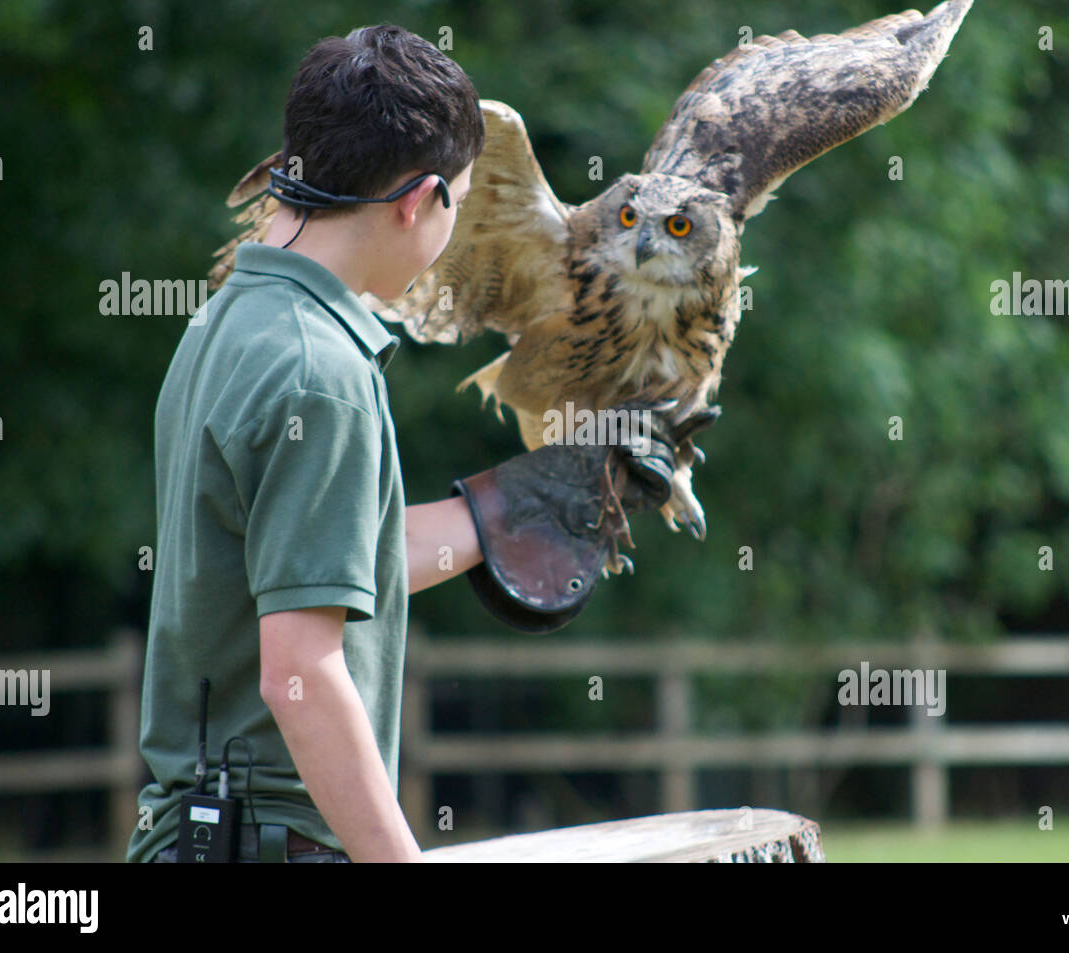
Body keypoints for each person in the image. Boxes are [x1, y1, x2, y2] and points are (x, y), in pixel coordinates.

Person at [127, 24, 697, 864]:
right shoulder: (320, 372)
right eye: (458, 204)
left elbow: (314, 566)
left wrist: (529, 498)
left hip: (200, 832)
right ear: (416, 199)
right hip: (273, 839)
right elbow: (302, 673)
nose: (453, 226)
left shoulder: (227, 322)